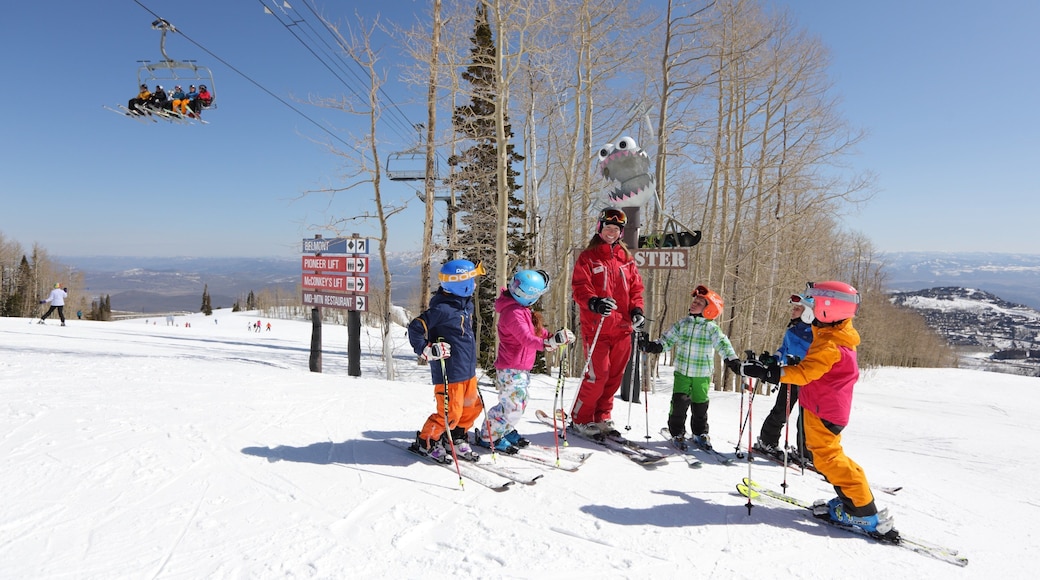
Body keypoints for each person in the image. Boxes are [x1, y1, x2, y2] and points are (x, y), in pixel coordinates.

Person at [739, 281, 894, 534]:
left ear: (827, 311)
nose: (808, 312)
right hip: (820, 406)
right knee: (826, 457)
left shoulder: (831, 345)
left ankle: (862, 511)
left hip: (825, 410)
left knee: (828, 459)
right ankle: (853, 501)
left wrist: (768, 373)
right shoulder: (832, 334)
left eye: (812, 306)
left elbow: (804, 373)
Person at [475, 269, 575, 454]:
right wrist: (547, 344)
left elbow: (537, 332)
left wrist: (554, 337)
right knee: (513, 404)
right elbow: (526, 339)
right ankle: (490, 435)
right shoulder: (512, 313)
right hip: (511, 368)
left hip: (518, 368)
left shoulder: (520, 309)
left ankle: (504, 429)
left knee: (517, 402)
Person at [569, 208, 645, 437]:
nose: (611, 232)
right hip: (597, 327)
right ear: (599, 229)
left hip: (623, 329)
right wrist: (594, 302)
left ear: (621, 233)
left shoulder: (626, 260)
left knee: (614, 376)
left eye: (616, 229)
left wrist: (637, 310)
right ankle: (581, 418)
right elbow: (580, 288)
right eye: (608, 228)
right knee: (598, 375)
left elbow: (636, 289)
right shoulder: (588, 258)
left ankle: (602, 415)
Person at [639, 284, 738, 450]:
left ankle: (700, 433)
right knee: (679, 403)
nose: (694, 304)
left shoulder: (711, 328)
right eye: (694, 301)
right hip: (682, 372)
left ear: (709, 310)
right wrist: (652, 346)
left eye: (699, 303)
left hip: (702, 374)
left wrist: (733, 360)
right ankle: (677, 432)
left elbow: (723, 345)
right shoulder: (682, 324)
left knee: (700, 405)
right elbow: (667, 340)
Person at [407, 259, 487, 464]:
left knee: (472, 407)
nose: (475, 284)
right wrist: (426, 349)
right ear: (462, 284)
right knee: (450, 412)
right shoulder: (442, 309)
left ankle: (456, 437)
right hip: (449, 373)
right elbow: (415, 327)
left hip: (467, 370)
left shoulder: (465, 305)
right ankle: (427, 441)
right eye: (472, 280)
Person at [754, 292, 816, 464]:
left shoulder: (816, 334)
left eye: (797, 309)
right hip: (790, 377)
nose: (793, 311)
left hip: (809, 380)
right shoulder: (792, 331)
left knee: (807, 418)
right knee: (781, 411)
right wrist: (773, 359)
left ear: (808, 313)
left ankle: (805, 452)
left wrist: (801, 360)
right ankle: (767, 441)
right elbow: (783, 349)